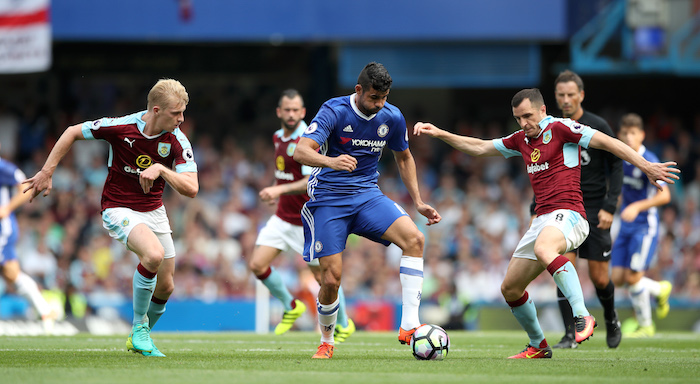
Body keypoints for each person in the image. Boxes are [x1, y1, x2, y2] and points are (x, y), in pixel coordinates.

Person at [413, 88, 679, 359]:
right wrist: (441, 134)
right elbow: (480, 147)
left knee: (545, 249)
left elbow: (609, 142)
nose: (523, 123)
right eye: (518, 118)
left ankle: (582, 315)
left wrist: (646, 165)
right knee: (510, 288)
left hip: (572, 214)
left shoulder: (563, 128)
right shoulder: (520, 140)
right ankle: (538, 345)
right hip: (542, 219)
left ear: (542, 110)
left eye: (528, 116)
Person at [24, 79, 198, 357]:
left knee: (166, 286)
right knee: (152, 255)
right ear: (156, 110)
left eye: (182, 112)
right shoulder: (121, 127)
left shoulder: (177, 139)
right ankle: (139, 328)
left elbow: (192, 188)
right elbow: (71, 132)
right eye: (176, 113)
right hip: (118, 207)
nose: (181, 119)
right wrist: (47, 171)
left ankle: (138, 336)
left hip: (154, 210)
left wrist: (161, 170)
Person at [293, 62, 441, 359]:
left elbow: (404, 158)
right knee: (331, 279)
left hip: (366, 196)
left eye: (384, 97)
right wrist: (333, 161)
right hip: (329, 199)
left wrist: (418, 200)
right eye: (374, 98)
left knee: (415, 239)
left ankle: (410, 324)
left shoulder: (392, 116)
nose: (379, 104)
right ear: (358, 90)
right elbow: (301, 151)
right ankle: (326, 340)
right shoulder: (334, 110)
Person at [250, 89, 354, 341]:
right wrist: (278, 192)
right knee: (257, 264)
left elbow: (309, 179)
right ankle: (291, 306)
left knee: (325, 278)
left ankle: (344, 323)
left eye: (296, 109)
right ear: (279, 112)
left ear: (303, 112)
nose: (291, 114)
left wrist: (279, 188)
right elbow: (285, 174)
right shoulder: (277, 137)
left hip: (306, 222)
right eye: (287, 109)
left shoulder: (307, 140)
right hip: (282, 217)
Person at [536, 70, 624, 349]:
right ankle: (569, 334)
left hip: (596, 208)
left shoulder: (597, 125)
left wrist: (611, 205)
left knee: (599, 277)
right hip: (563, 207)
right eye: (560, 95)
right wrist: (533, 207)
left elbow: (617, 163)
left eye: (571, 94)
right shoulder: (548, 129)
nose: (565, 100)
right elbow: (539, 169)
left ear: (581, 95)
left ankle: (611, 318)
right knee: (563, 268)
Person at [611, 113, 673, 338]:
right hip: (626, 225)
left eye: (633, 133)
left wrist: (637, 207)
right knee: (618, 278)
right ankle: (659, 289)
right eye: (625, 133)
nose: (629, 137)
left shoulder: (650, 159)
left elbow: (664, 196)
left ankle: (646, 326)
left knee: (634, 277)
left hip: (644, 227)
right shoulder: (620, 159)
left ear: (642, 135)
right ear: (619, 135)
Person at [0, 143, 56, 334]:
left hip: (2, 230)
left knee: (11, 272)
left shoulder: (3, 168)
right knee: (11, 274)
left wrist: (6, 208)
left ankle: (45, 312)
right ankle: (45, 312)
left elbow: (25, 186)